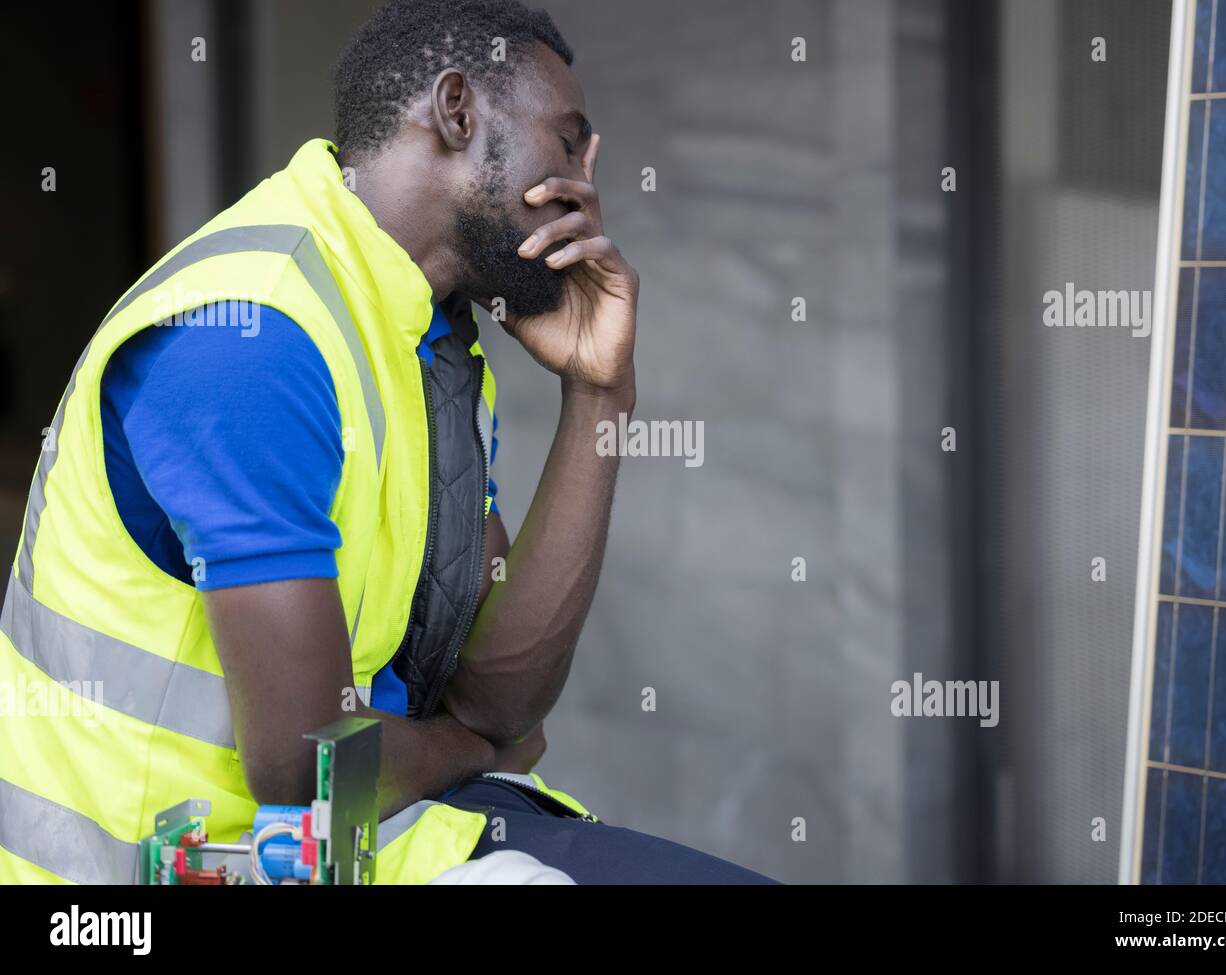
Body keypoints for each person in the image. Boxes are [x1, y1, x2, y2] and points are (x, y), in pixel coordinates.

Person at [0, 0, 772, 885]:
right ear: (456, 111)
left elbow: (500, 694)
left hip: (361, 839)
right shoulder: (255, 334)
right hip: (142, 881)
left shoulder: (423, 334)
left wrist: (599, 393)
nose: (584, 192)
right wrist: (468, 744)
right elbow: (309, 770)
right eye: (567, 144)